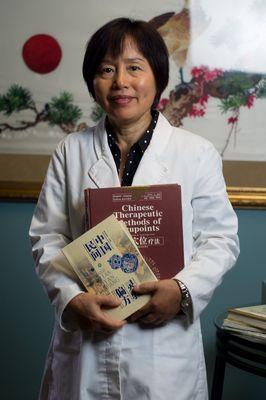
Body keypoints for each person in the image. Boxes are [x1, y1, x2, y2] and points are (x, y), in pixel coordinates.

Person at [29, 17, 239, 400]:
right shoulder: (70, 151)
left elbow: (220, 239)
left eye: (134, 68)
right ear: (93, 82)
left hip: (163, 350)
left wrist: (182, 290)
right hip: (88, 343)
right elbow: (48, 237)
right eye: (106, 69)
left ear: (157, 78)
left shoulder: (195, 153)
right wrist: (71, 299)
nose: (120, 82)